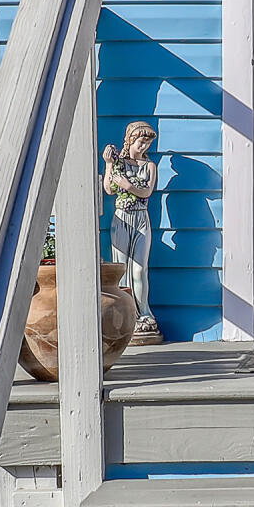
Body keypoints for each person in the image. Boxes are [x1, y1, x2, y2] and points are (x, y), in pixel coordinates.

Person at [101, 121, 163, 344]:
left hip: (140, 218)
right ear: (130, 140)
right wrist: (109, 164)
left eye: (147, 143)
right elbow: (109, 189)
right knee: (122, 268)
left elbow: (146, 192)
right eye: (141, 142)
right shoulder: (120, 163)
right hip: (121, 218)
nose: (144, 147)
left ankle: (144, 313)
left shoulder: (150, 167)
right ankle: (127, 315)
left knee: (139, 270)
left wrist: (127, 185)